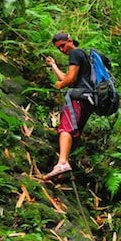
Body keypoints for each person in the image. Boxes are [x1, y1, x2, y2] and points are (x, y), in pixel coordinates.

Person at [43, 32, 93, 179]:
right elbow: (69, 77)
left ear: (70, 41)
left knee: (66, 128)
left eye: (63, 45)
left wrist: (60, 85)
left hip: (78, 98)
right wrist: (53, 65)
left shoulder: (75, 53)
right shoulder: (83, 55)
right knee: (74, 132)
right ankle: (64, 168)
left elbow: (69, 80)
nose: (62, 50)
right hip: (88, 99)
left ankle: (63, 163)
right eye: (59, 48)